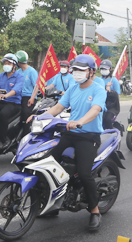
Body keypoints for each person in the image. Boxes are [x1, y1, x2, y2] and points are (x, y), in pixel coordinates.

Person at [28, 54, 106, 232]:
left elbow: (95, 110)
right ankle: (52, 203)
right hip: (70, 133)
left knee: (84, 173)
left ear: (91, 72)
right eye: (75, 69)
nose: (77, 73)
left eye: (81, 69)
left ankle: (94, 210)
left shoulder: (98, 90)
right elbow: (57, 108)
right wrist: (38, 117)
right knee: (48, 162)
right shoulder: (73, 88)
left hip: (89, 136)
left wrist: (80, 122)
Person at [17, 50, 39, 128]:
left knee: (25, 113)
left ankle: (25, 132)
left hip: (28, 97)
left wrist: (32, 98)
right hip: (19, 96)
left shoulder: (32, 71)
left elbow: (36, 86)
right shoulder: (18, 72)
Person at [99, 60, 122, 130]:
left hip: (112, 106)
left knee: (107, 119)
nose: (103, 70)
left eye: (105, 69)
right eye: (102, 69)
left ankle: (111, 133)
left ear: (110, 69)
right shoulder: (99, 80)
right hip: (101, 104)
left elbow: (117, 96)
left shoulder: (114, 81)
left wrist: (109, 91)